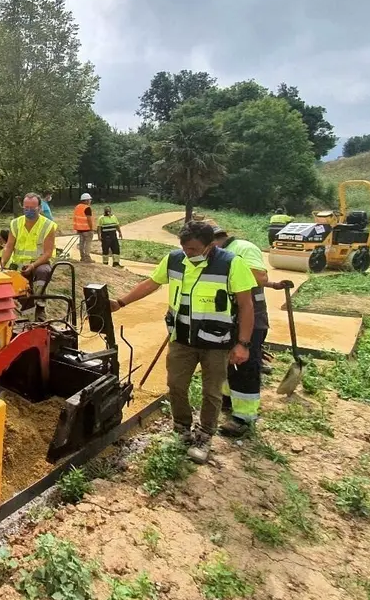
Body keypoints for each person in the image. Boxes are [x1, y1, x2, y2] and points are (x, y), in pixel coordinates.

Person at [110, 221, 256, 464]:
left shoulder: (231, 264)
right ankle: (182, 429)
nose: (188, 253)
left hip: (216, 342)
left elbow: (246, 305)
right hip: (182, 339)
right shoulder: (174, 260)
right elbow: (151, 283)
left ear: (210, 246)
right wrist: (121, 302)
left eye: (193, 249)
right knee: (176, 385)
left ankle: (205, 436)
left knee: (212, 392)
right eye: (184, 247)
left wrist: (243, 343)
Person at [212, 227, 287, 437]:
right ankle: (228, 400)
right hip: (228, 317)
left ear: (217, 239)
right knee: (227, 361)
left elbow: (260, 277)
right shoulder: (216, 253)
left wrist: (226, 271)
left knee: (245, 364)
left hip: (251, 317)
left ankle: (244, 417)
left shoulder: (243, 248)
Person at [0, 192, 57, 322]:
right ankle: (25, 318)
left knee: (42, 273)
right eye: (26, 208)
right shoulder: (15, 224)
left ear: (40, 208)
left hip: (39, 263)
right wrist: (2, 264)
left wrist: (33, 265)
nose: (29, 211)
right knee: (19, 286)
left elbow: (48, 253)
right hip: (19, 264)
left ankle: (40, 308)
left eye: (32, 208)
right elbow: (9, 246)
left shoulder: (48, 225)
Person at [74, 192, 94, 263]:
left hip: (79, 229)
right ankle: (87, 257)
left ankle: (82, 257)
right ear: (86, 200)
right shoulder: (87, 208)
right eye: (89, 200)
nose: (90, 201)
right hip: (87, 229)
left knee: (81, 244)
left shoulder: (77, 207)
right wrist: (91, 228)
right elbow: (89, 219)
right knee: (88, 244)